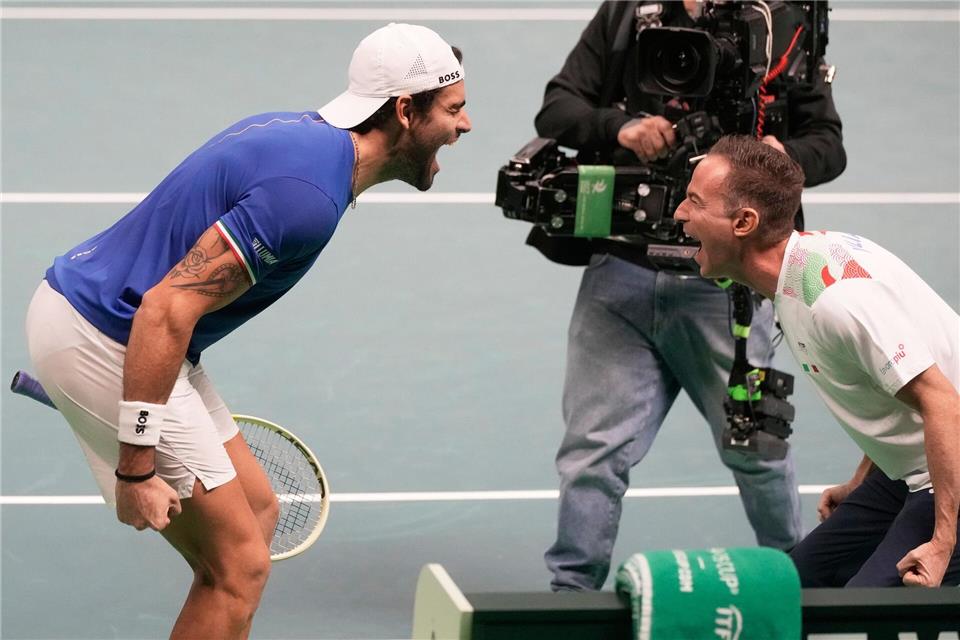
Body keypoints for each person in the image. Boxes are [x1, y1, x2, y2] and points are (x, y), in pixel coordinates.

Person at [24, 22, 470, 637]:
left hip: (106, 317)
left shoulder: (307, 142)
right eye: (454, 109)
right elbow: (165, 310)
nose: (464, 125)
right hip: (108, 333)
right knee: (238, 567)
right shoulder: (306, 197)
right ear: (403, 111)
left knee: (258, 513)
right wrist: (136, 466)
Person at [534, 0, 846, 590]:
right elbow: (558, 107)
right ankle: (568, 598)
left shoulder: (782, 25)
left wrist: (781, 159)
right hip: (621, 272)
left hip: (727, 287)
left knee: (757, 452)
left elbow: (828, 144)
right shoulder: (631, 13)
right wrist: (619, 128)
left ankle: (801, 590)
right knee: (591, 454)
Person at [673, 134, 960, 587]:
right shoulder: (802, 267)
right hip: (910, 467)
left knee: (864, 609)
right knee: (795, 589)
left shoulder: (833, 303)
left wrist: (944, 542)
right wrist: (862, 478)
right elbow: (887, 389)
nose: (680, 214)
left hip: (948, 473)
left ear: (744, 222)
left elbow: (944, 402)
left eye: (695, 201)